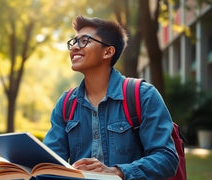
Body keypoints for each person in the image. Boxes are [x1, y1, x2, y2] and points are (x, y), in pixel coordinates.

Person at [43, 15, 179, 180]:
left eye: (84, 41)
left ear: (108, 51)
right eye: (73, 42)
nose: (74, 48)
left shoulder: (143, 95)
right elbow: (49, 163)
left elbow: (167, 158)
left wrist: (117, 172)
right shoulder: (65, 104)